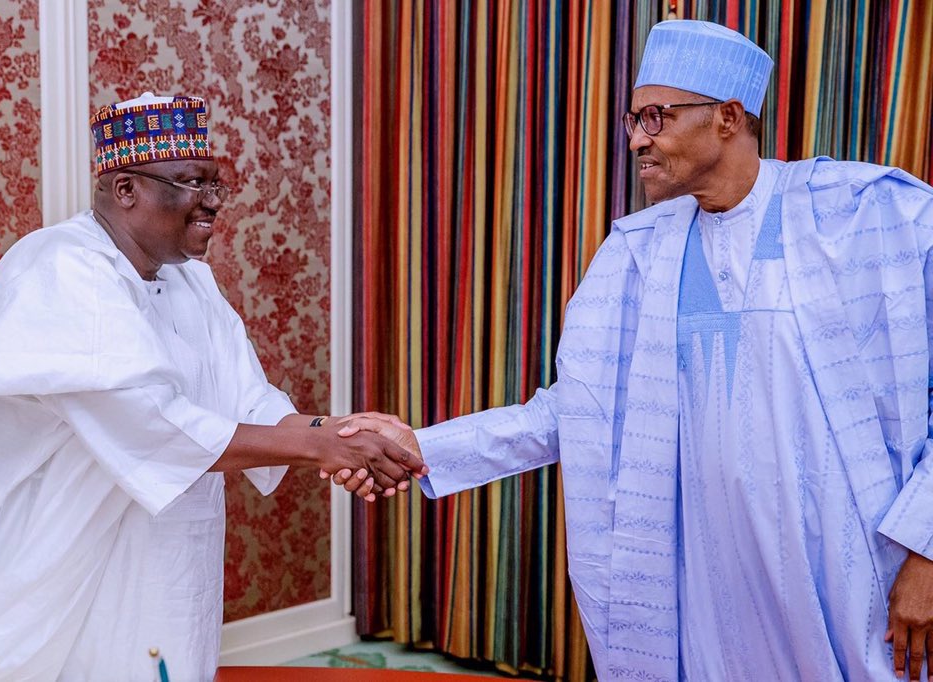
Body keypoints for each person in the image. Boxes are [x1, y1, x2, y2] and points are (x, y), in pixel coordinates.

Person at [339, 20, 933, 682]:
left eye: (656, 117)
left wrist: (927, 551)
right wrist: (421, 446)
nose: (636, 139)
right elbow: (576, 413)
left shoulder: (871, 216)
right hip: (710, 593)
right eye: (632, 119)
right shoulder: (638, 254)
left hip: (855, 586)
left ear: (729, 118)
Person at [0, 92, 425, 681]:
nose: (211, 204)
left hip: (169, 546)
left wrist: (333, 431)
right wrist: (320, 448)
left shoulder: (190, 281)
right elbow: (152, 421)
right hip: (60, 547)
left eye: (214, 184)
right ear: (126, 189)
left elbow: (248, 399)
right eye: (189, 183)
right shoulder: (62, 267)